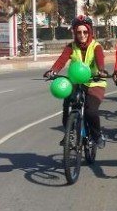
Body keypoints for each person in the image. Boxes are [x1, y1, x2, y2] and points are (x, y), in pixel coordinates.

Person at [43, 15, 107, 147]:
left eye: (85, 32)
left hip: (94, 83)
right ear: (75, 33)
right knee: (67, 105)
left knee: (91, 112)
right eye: (78, 32)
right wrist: (53, 71)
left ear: (90, 32)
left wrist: (101, 71)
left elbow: (100, 60)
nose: (82, 35)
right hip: (76, 82)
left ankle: (97, 135)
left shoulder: (96, 46)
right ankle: (69, 133)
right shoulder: (71, 46)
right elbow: (62, 60)